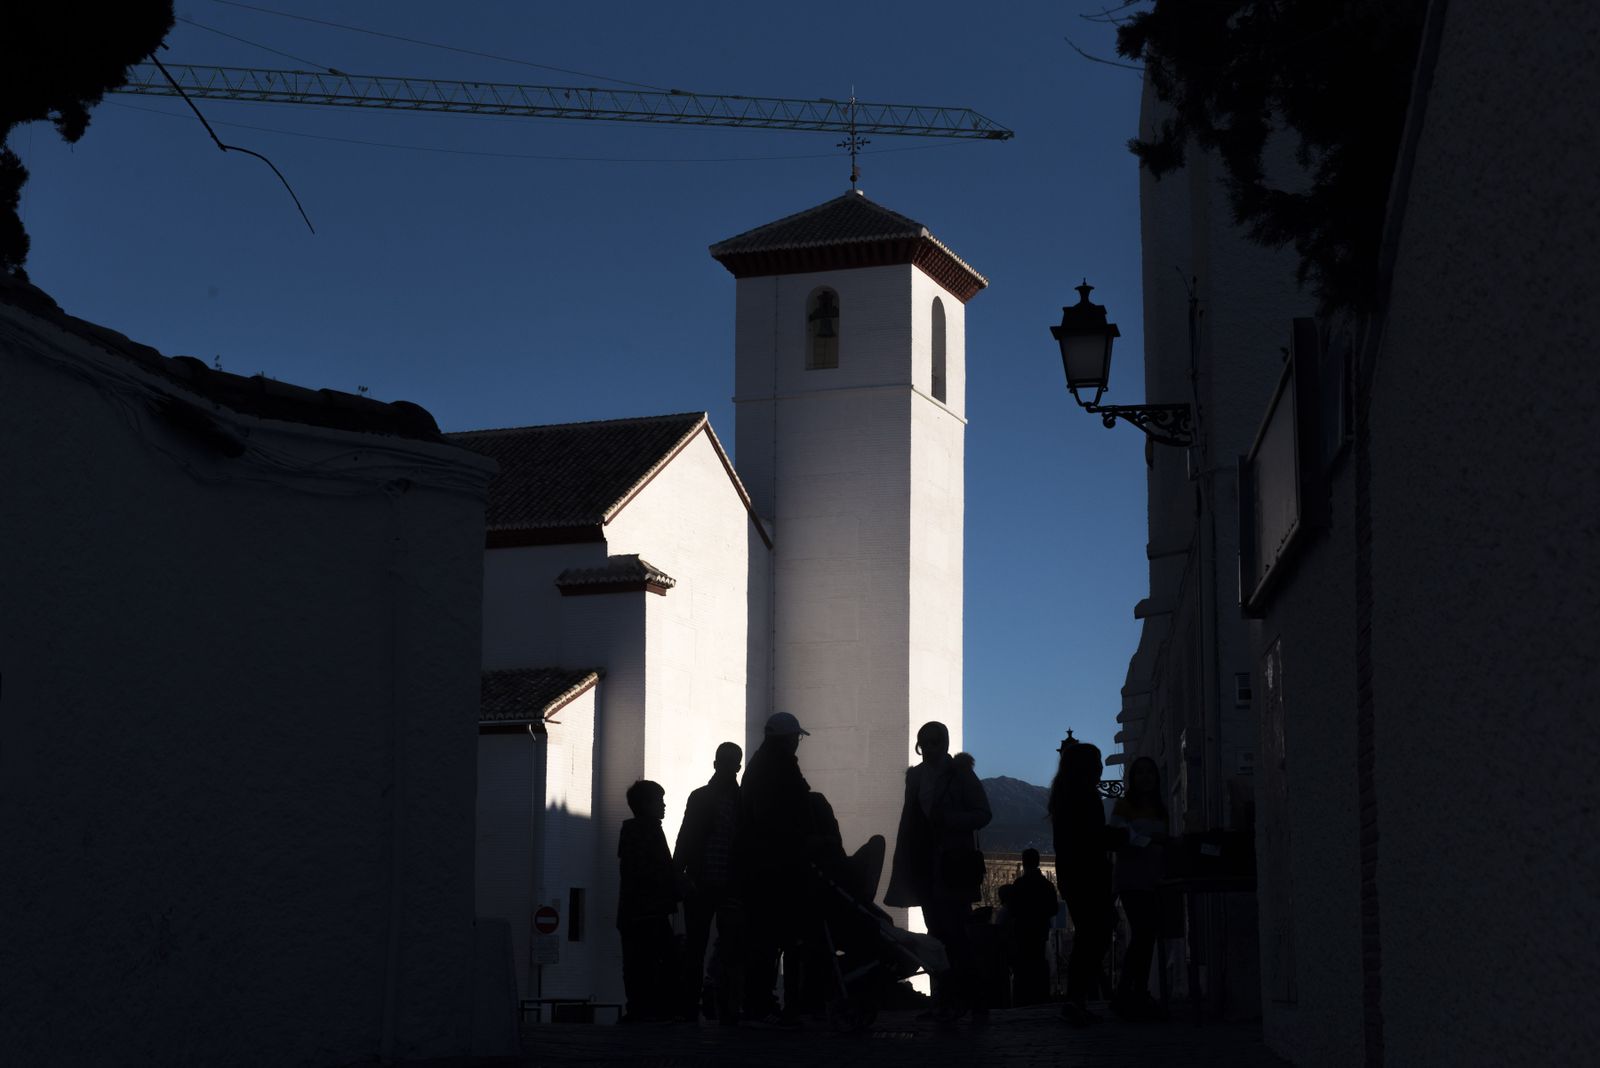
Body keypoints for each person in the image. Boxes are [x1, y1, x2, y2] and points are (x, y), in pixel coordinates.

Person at [884, 720, 993, 1024]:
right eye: (925, 742)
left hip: (952, 865)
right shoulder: (916, 777)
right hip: (923, 864)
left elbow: (983, 813)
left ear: (944, 744)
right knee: (936, 937)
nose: (929, 748)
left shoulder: (961, 774)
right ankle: (944, 1002)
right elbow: (910, 821)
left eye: (935, 742)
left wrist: (951, 820)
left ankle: (971, 1001)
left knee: (956, 934)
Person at [738, 712, 813, 1025]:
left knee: (765, 940)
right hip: (778, 866)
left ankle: (763, 1001)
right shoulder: (779, 767)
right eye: (795, 737)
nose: (797, 743)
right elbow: (793, 807)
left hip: (762, 865)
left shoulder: (759, 766)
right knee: (783, 938)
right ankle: (783, 1003)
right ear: (784, 739)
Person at [1048, 734, 1125, 1026]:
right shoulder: (1085, 796)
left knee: (1088, 936)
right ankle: (1079, 997)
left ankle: (1079, 997)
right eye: (1097, 763)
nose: (1102, 768)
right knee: (1095, 936)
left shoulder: (1064, 796)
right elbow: (1093, 836)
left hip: (1073, 876)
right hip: (1089, 876)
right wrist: (1125, 837)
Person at [673, 742, 744, 1024]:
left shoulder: (702, 797)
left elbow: (686, 836)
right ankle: (720, 1007)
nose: (727, 767)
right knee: (723, 948)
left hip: (706, 883)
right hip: (719, 884)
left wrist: (679, 872)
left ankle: (693, 1006)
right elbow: (687, 835)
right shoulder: (742, 802)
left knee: (701, 947)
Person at [1108, 756, 1170, 1021]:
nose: (1145, 777)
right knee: (1143, 932)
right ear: (1133, 779)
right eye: (1140, 772)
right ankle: (1129, 991)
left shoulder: (1160, 808)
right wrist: (1152, 840)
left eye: (1150, 772)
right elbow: (1119, 837)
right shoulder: (1124, 806)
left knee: (1148, 935)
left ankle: (1135, 991)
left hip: (1154, 878)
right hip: (1131, 879)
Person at [617, 779, 681, 1023]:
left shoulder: (633, 831)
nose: (664, 806)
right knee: (662, 962)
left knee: (638, 965)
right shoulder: (649, 831)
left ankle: (641, 1009)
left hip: (636, 914)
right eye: (660, 801)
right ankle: (656, 1009)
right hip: (649, 913)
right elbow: (652, 871)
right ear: (646, 804)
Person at [1005, 848, 1060, 1006]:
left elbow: (1012, 908)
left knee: (1023, 966)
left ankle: (1022, 997)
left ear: (1024, 862)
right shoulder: (1046, 885)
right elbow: (1053, 908)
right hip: (1040, 931)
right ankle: (1040, 995)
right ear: (1038, 862)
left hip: (1022, 931)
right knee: (1038, 963)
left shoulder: (1019, 884)